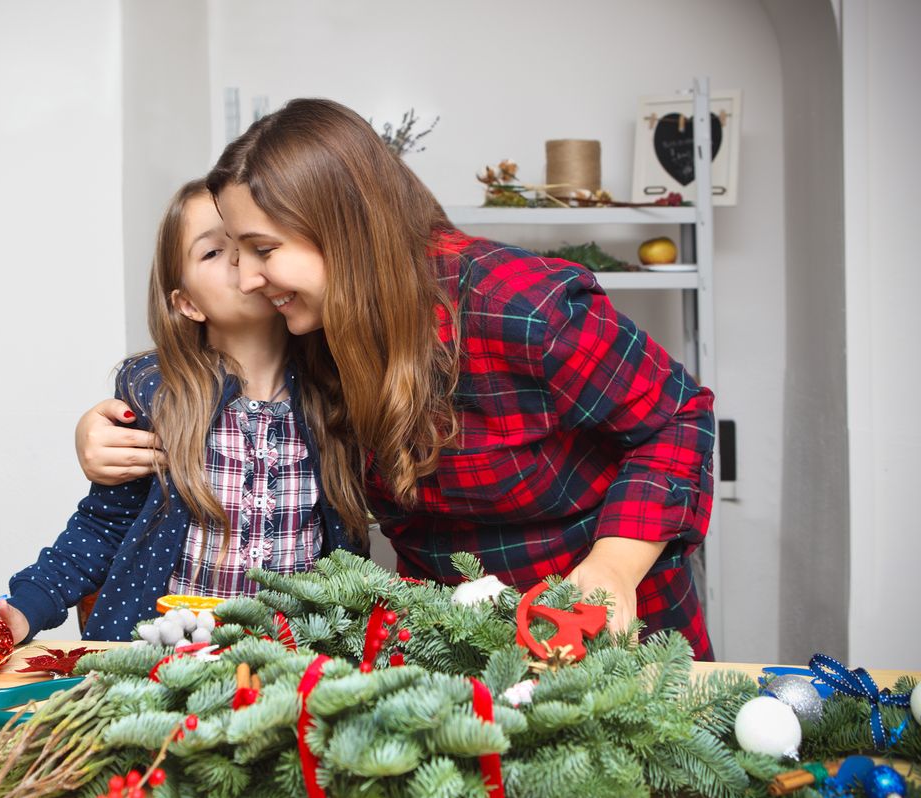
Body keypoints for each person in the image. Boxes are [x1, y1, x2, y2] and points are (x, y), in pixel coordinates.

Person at [77, 99, 717, 659]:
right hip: (452, 648)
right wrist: (100, 432)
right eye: (236, 256)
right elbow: (210, 380)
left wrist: (612, 567)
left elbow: (677, 419)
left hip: (607, 635)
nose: (247, 279)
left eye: (263, 250)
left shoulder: (520, 306)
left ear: (341, 230)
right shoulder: (317, 335)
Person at [0, 178, 364, 672]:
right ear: (187, 303)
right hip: (168, 670)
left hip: (294, 670)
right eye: (213, 252)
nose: (241, 261)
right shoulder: (158, 395)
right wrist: (17, 613)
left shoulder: (335, 391)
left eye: (252, 244)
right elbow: (101, 527)